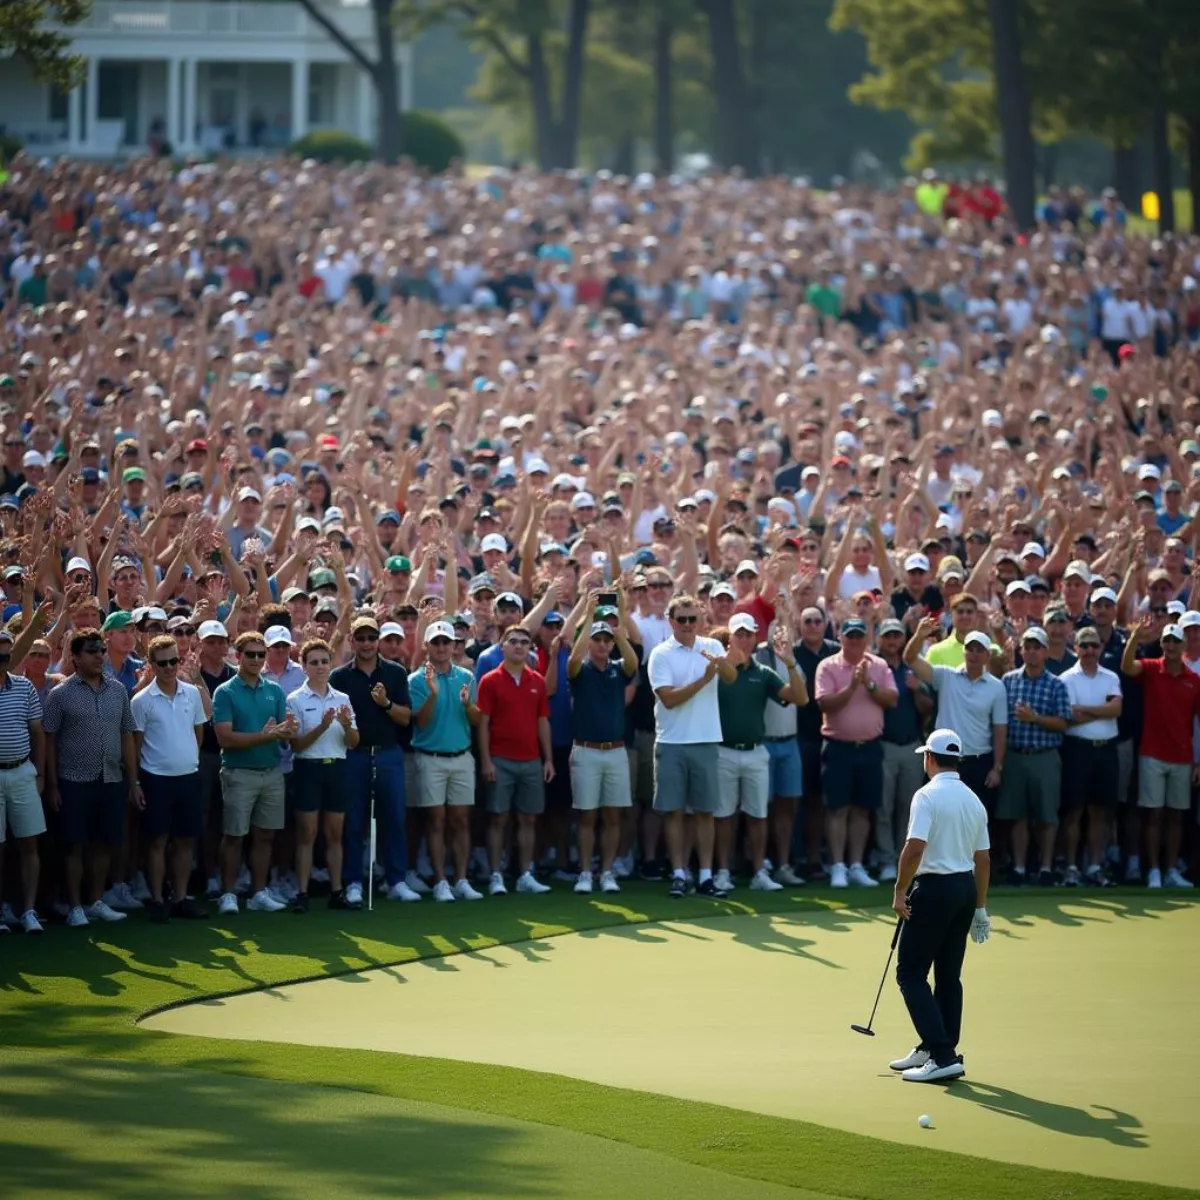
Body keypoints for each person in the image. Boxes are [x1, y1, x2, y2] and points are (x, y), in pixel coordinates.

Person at [889, 728, 991, 1084]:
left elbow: (914, 848)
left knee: (911, 974)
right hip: (963, 890)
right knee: (948, 976)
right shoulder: (973, 799)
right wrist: (979, 906)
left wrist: (900, 891)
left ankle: (943, 1054)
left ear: (928, 758)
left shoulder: (926, 796)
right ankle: (935, 1047)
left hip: (933, 890)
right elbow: (983, 859)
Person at [42, 628, 139, 927]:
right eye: (92, 651)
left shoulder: (118, 691)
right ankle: (74, 907)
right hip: (73, 780)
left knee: (104, 844)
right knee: (73, 845)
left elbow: (126, 736)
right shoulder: (60, 694)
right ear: (75, 657)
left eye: (101, 650)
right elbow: (49, 740)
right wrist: (53, 784)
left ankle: (95, 901)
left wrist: (133, 781)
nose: (99, 655)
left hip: (111, 778)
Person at [648, 593, 738, 898]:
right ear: (671, 621)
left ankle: (705, 876)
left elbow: (731, 677)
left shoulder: (711, 646)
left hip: (705, 740)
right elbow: (669, 699)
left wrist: (720, 665)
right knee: (673, 812)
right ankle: (678, 874)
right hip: (672, 742)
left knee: (704, 813)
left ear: (700, 620)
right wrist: (704, 678)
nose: (688, 625)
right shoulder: (661, 654)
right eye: (682, 619)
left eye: (692, 619)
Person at [331, 616, 419, 906]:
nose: (367, 643)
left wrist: (385, 704)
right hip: (353, 755)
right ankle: (354, 881)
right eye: (361, 638)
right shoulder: (340, 677)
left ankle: (396, 880)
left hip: (388, 753)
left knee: (394, 818)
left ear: (377, 640)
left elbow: (406, 717)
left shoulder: (394, 672)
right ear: (352, 641)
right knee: (353, 821)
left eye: (371, 638)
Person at [714, 615, 807, 892]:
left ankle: (759, 873)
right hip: (723, 752)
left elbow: (800, 698)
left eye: (748, 635)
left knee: (758, 815)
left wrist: (789, 662)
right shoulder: (717, 670)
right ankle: (722, 872)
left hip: (756, 752)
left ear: (755, 638)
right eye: (738, 635)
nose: (743, 640)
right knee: (724, 817)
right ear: (729, 638)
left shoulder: (763, 672)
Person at [211, 631, 297, 915]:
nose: (257, 659)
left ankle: (259, 892)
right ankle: (228, 893)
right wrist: (266, 736)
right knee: (234, 836)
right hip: (239, 773)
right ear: (238, 656)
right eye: (251, 654)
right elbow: (225, 738)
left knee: (265, 835)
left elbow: (284, 734)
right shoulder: (225, 692)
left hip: (272, 772)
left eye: (261, 654)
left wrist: (288, 732)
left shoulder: (275, 690)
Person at [129, 634, 209, 921]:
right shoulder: (141, 700)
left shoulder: (192, 693)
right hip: (155, 779)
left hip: (188, 777)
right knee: (157, 841)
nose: (169, 667)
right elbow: (135, 745)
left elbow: (197, 734)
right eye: (162, 663)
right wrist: (135, 783)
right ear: (151, 664)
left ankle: (180, 898)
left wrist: (186, 759)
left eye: (174, 661)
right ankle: (158, 899)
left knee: (186, 840)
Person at [814, 616, 898, 888]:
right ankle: (838, 867)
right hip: (838, 747)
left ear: (866, 639)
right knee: (837, 809)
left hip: (870, 748)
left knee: (863, 809)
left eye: (859, 636)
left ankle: (857, 865)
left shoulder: (880, 666)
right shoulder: (827, 666)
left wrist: (869, 685)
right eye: (849, 636)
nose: (854, 641)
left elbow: (891, 700)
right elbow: (825, 704)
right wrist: (852, 686)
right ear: (841, 638)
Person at [566, 594, 639, 894]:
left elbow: (633, 661)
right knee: (587, 815)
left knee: (612, 815)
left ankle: (607, 871)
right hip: (586, 751)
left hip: (616, 751)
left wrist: (617, 629)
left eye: (606, 640)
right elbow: (572, 660)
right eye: (597, 639)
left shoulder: (618, 668)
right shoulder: (580, 670)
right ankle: (585, 872)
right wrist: (588, 617)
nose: (602, 644)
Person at [904, 619, 1007, 829]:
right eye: (970, 649)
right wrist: (919, 635)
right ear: (964, 652)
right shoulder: (945, 676)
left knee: (975, 823)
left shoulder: (997, 687)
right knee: (938, 820)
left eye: (980, 650)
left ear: (987, 655)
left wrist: (997, 768)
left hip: (979, 762)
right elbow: (910, 658)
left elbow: (999, 730)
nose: (975, 654)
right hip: (944, 760)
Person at [407, 620, 483, 902]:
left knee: (461, 820)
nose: (441, 647)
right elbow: (422, 724)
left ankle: (461, 878)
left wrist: (467, 705)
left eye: (446, 642)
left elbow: (476, 719)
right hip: (430, 758)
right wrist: (432, 694)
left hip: (462, 756)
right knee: (436, 820)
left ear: (454, 646)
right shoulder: (416, 680)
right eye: (436, 643)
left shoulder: (466, 676)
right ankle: (440, 880)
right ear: (426, 646)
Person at [1121, 619, 1200, 888]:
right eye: (1166, 641)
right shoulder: (1153, 668)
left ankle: (1170, 871)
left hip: (1182, 756)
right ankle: (1154, 870)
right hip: (1152, 754)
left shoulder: (1194, 680)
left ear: (1183, 645)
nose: (1170, 646)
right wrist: (1134, 639)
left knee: (1176, 817)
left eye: (1175, 642)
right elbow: (1127, 666)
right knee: (1154, 815)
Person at [476, 625, 553, 895]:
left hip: (531, 760)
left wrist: (548, 760)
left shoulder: (538, 681)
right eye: (513, 642)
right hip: (500, 759)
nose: (519, 646)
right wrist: (486, 761)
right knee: (498, 818)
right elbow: (483, 724)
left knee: (528, 819)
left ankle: (524, 874)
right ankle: (496, 874)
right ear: (503, 646)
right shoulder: (489, 680)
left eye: (524, 642)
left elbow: (542, 722)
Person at [286, 637, 358, 912]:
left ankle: (336, 891)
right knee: (307, 833)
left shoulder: (343, 699)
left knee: (334, 833)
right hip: (308, 768)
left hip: (337, 768)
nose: (320, 667)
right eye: (314, 662)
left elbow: (352, 742)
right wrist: (323, 726)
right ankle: (302, 893)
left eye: (324, 662)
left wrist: (345, 725)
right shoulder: (295, 699)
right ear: (304, 666)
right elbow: (297, 744)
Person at [998, 627, 1073, 885]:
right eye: (1027, 647)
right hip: (1015, 755)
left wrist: (1036, 718)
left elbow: (1064, 723)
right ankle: (1019, 868)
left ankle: (1045, 867)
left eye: (1036, 647)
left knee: (1046, 816)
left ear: (1044, 651)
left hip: (1045, 756)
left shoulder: (1057, 684)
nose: (1031, 652)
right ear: (1021, 651)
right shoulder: (1008, 681)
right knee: (1017, 815)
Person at [1059, 626, 1122, 886]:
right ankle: (1072, 867)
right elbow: (1070, 717)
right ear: (1076, 648)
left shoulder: (1110, 677)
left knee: (1099, 812)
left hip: (1106, 749)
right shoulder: (1066, 678)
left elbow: (1116, 708)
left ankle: (1094, 866)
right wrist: (1102, 709)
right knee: (1073, 811)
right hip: (1078, 749)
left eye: (1094, 646)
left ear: (1100, 648)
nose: (1089, 651)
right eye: (1084, 646)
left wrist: (1086, 709)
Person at [875, 617, 934, 882]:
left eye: (896, 636)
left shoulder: (914, 667)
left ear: (903, 639)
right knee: (884, 807)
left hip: (912, 746)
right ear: (879, 639)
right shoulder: (874, 665)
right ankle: (887, 859)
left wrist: (917, 690)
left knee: (908, 808)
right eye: (887, 636)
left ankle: (904, 860)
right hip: (883, 745)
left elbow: (928, 708)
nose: (892, 641)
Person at [0, 627, 46, 934]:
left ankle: (28, 911)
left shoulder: (24, 687)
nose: (2, 661)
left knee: (30, 844)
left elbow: (38, 733)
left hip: (23, 772)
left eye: (6, 656)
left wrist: (41, 773)